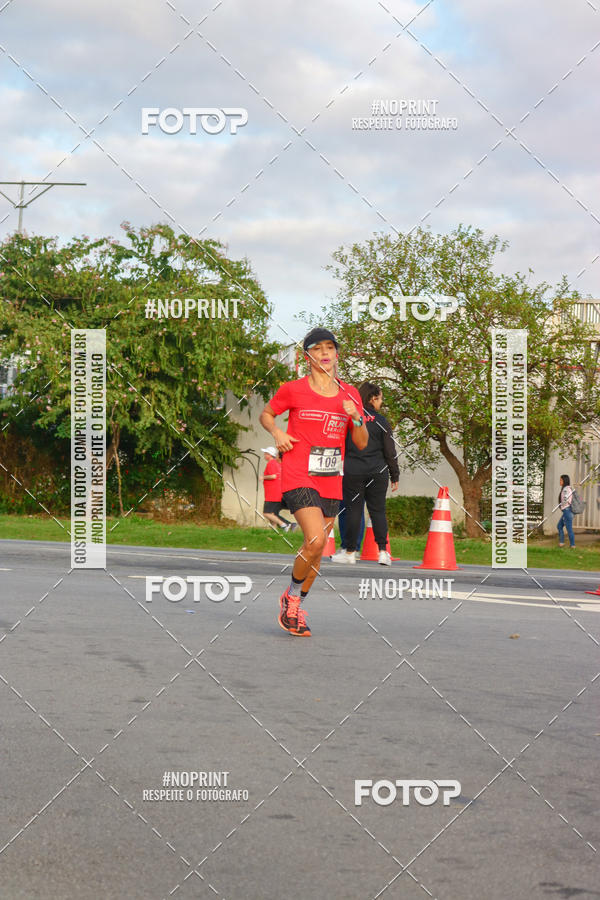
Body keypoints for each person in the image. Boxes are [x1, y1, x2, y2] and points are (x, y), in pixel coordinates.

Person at [259, 327, 368, 636]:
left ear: (336, 354)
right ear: (308, 357)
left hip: (330, 477)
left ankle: (295, 604)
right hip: (298, 473)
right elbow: (266, 414)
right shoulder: (293, 389)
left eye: (329, 348)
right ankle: (292, 598)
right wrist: (277, 433)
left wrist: (356, 418)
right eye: (318, 349)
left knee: (316, 551)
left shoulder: (350, 393)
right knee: (317, 540)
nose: (325, 353)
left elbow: (361, 442)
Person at [332, 381, 399, 566]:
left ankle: (350, 553)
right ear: (372, 399)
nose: (381, 402)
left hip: (353, 470)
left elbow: (340, 444)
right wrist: (395, 475)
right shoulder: (382, 421)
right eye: (380, 399)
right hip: (378, 472)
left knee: (354, 511)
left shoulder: (351, 419)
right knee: (378, 511)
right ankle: (383, 552)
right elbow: (390, 451)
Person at [260, 447, 297, 532]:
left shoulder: (271, 463)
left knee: (267, 513)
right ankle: (275, 531)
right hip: (276, 492)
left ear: (270, 455)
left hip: (272, 493)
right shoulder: (277, 463)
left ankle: (285, 524)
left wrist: (263, 477)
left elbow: (274, 476)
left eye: (266, 453)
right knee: (273, 514)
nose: (264, 455)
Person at [557, 473, 575, 548]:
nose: (560, 481)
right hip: (567, 511)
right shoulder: (567, 488)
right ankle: (561, 543)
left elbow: (565, 500)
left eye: (561, 480)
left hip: (567, 511)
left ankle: (572, 545)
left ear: (564, 481)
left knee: (569, 529)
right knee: (559, 526)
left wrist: (561, 505)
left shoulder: (565, 489)